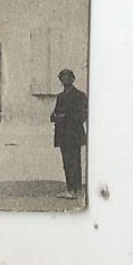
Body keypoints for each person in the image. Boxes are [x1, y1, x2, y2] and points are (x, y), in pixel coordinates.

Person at [50, 68, 88, 200]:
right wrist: (56, 117)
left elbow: (83, 115)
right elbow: (54, 114)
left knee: (74, 161)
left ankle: (75, 189)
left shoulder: (80, 96)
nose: (65, 80)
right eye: (62, 78)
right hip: (63, 134)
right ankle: (70, 187)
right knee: (66, 162)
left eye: (68, 78)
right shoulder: (60, 97)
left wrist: (65, 117)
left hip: (74, 133)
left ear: (73, 79)